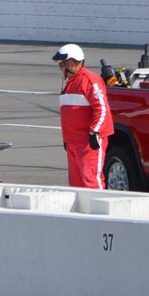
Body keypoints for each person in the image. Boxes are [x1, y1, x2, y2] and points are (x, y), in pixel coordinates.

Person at [53, 43, 113, 189]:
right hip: (73, 143)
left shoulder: (90, 81)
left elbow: (102, 109)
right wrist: (67, 140)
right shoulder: (71, 83)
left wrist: (95, 132)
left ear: (72, 63)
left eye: (62, 65)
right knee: (76, 185)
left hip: (89, 143)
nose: (60, 68)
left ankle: (99, 211)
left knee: (92, 181)